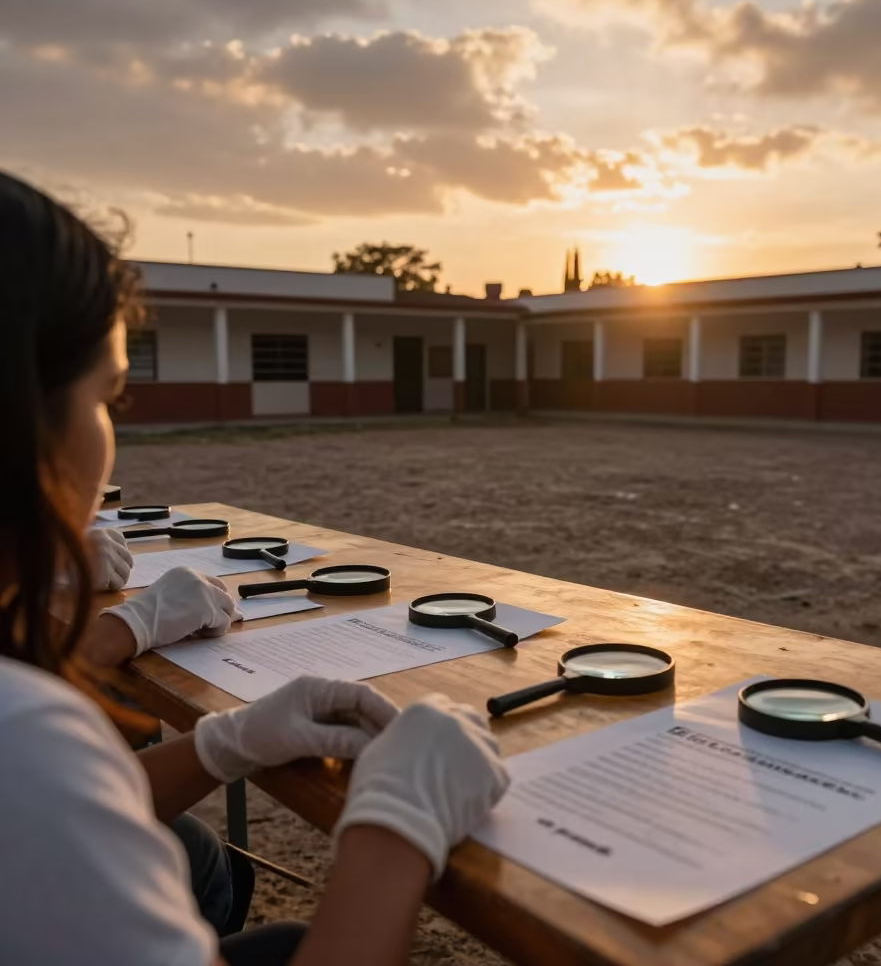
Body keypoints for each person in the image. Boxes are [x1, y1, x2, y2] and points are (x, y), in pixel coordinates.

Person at [0, 170, 510, 966]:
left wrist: (222, 743)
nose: (108, 440)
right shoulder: (22, 734)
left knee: (242, 905)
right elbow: (35, 791)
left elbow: (45, 823)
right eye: (109, 397)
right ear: (21, 423)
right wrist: (397, 828)